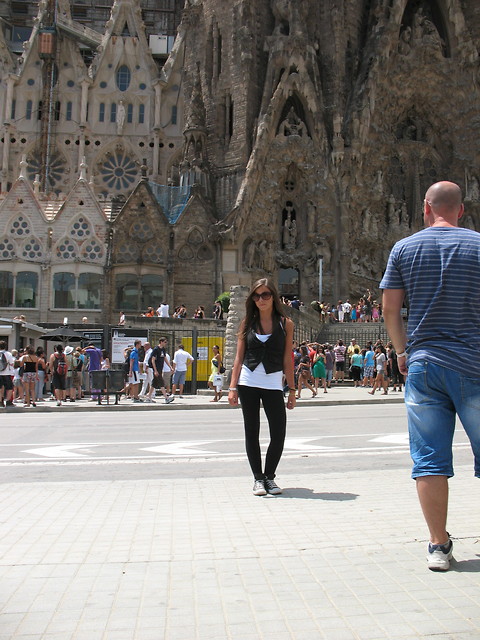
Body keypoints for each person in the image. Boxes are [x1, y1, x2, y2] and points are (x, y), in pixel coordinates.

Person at [381, 180, 480, 572]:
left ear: (425, 208)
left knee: (430, 461)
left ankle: (438, 546)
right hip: (475, 364)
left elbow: (390, 309)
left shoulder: (404, 249)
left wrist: (402, 351)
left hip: (424, 364)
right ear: (461, 209)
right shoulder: (478, 245)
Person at [228, 278, 296, 496]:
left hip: (273, 383)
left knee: (278, 433)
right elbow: (238, 357)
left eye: (265, 294)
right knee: (252, 432)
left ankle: (270, 477)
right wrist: (232, 387)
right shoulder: (246, 322)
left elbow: (288, 358)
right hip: (248, 381)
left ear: (273, 297)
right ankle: (258, 478)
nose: (261, 299)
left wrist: (292, 390)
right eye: (256, 296)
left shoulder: (286, 324)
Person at [149, 337, 175, 404]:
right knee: (161, 383)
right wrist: (155, 370)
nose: (166, 343)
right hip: (157, 368)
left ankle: (149, 397)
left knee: (154, 383)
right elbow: (153, 360)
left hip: (160, 368)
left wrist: (170, 367)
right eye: (165, 342)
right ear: (161, 342)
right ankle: (166, 398)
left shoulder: (163, 349)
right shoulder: (156, 349)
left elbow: (165, 358)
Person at [0, 340, 15, 407]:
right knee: (9, 387)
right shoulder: (8, 354)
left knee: (0, 388)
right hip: (7, 373)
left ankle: (0, 401)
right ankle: (8, 401)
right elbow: (12, 363)